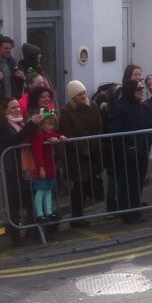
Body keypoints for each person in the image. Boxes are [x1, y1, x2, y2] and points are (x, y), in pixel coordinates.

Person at [0, 97, 41, 246]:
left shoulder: (20, 123)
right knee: (13, 203)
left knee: (29, 198)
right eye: (13, 108)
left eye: (18, 107)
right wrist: (31, 124)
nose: (17, 110)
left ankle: (33, 231)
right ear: (5, 110)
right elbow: (15, 140)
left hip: (24, 167)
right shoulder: (3, 126)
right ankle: (16, 237)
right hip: (12, 168)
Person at [60, 80, 105, 226]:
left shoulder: (93, 106)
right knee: (79, 187)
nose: (83, 96)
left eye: (84, 93)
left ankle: (82, 215)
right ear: (72, 96)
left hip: (93, 152)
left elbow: (98, 125)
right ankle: (77, 217)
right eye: (79, 94)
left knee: (88, 184)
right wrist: (82, 149)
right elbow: (68, 133)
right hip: (77, 156)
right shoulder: (66, 111)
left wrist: (95, 144)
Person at [108, 79, 150, 223]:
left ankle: (136, 211)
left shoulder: (141, 106)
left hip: (141, 151)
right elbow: (116, 131)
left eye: (142, 88)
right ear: (130, 90)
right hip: (127, 154)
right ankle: (127, 214)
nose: (142, 91)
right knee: (127, 184)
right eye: (139, 89)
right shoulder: (121, 107)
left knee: (138, 183)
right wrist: (126, 146)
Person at [27, 111, 68, 224]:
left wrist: (60, 136)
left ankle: (49, 212)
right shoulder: (38, 136)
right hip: (43, 167)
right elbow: (37, 153)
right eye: (49, 124)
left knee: (48, 190)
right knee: (41, 191)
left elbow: (54, 134)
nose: (51, 127)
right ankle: (40, 213)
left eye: (52, 124)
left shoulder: (48, 134)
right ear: (41, 125)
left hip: (49, 166)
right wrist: (41, 168)